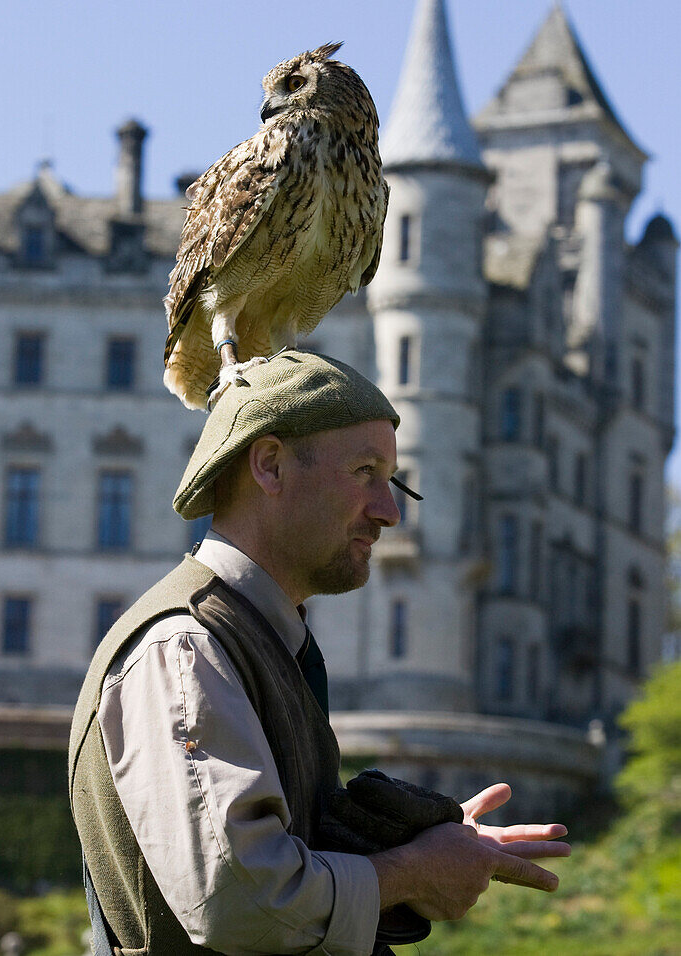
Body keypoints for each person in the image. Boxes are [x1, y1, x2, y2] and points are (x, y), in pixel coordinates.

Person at [69, 350, 570, 956]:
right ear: (271, 466)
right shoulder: (186, 647)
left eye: (395, 482)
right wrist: (410, 872)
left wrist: (412, 853)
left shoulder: (261, 640)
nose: (389, 512)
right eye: (365, 473)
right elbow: (241, 900)